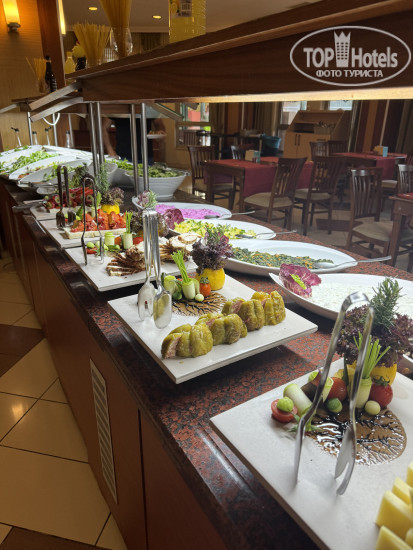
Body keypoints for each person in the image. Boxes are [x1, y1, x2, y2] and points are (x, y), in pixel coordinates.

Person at [102, 116, 166, 164]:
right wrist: (110, 150)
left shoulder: (148, 106)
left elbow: (160, 125)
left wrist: (160, 133)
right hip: (123, 156)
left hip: (146, 157)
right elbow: (104, 128)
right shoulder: (118, 106)